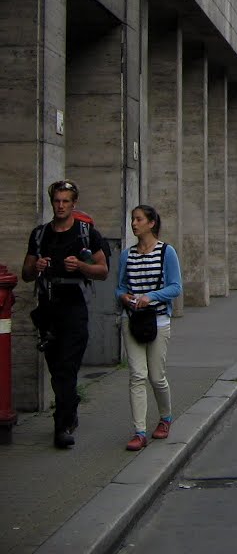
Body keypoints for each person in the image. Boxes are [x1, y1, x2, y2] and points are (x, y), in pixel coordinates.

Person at [22, 179, 110, 449]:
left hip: (74, 308)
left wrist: (81, 266)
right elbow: (25, 274)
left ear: (74, 204)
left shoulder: (86, 233)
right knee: (56, 368)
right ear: (52, 203)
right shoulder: (40, 234)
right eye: (57, 201)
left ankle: (61, 428)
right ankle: (70, 409)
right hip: (48, 308)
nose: (60, 206)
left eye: (65, 201)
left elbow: (103, 270)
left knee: (67, 368)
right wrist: (36, 265)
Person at [116, 205, 182, 451]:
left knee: (156, 376)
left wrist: (150, 296)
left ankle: (165, 418)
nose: (134, 224)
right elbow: (120, 287)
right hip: (131, 319)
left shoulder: (167, 252)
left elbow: (176, 287)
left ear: (151, 223)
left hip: (158, 320)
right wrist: (125, 298)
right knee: (136, 375)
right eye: (132, 219)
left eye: (139, 219)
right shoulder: (127, 254)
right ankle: (139, 431)